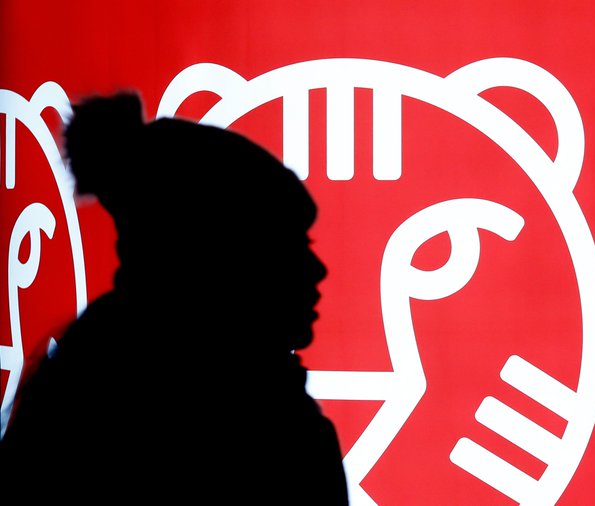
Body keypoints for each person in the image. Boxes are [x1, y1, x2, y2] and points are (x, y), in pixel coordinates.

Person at [0, 93, 348, 501]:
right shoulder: (278, 435)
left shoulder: (75, 393)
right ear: (224, 266)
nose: (316, 269)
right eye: (289, 248)